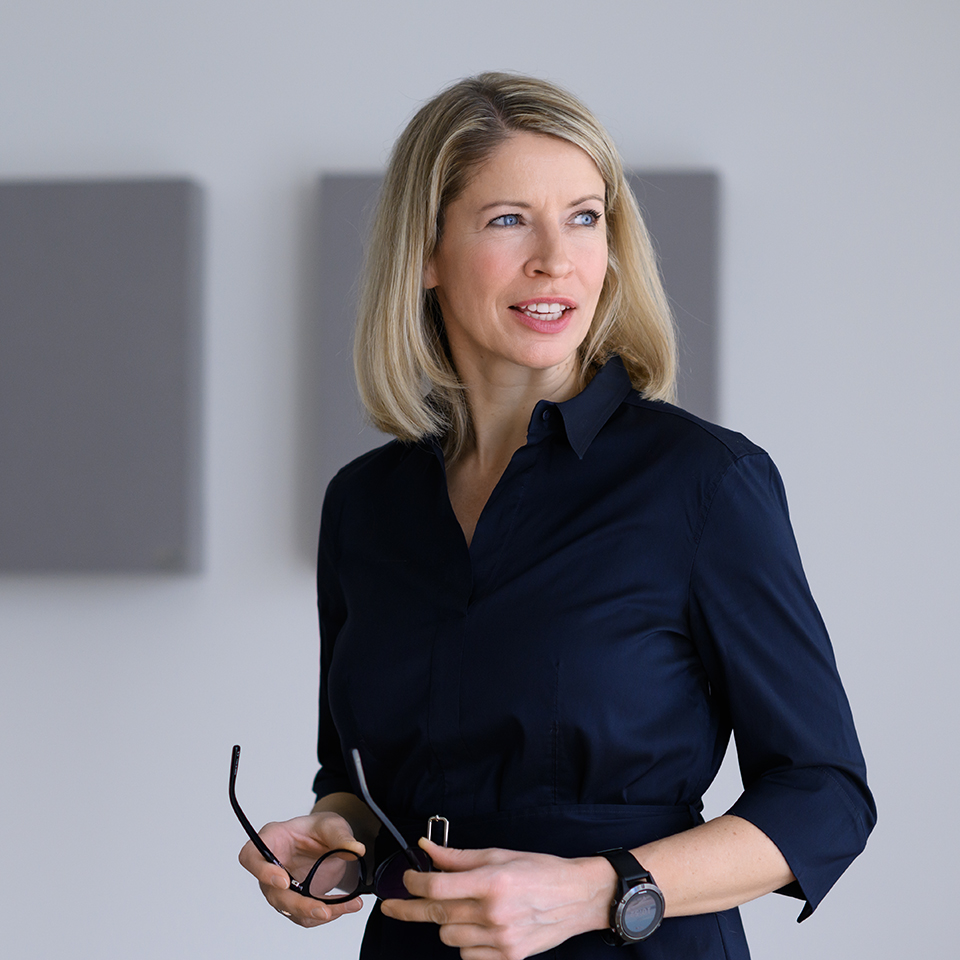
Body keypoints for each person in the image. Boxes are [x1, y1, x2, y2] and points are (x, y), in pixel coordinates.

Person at [239, 72, 875, 959]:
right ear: (425, 253)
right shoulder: (364, 505)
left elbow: (825, 795)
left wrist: (599, 890)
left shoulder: (704, 482)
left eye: (584, 217)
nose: (556, 259)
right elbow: (355, 779)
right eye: (508, 220)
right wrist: (333, 842)